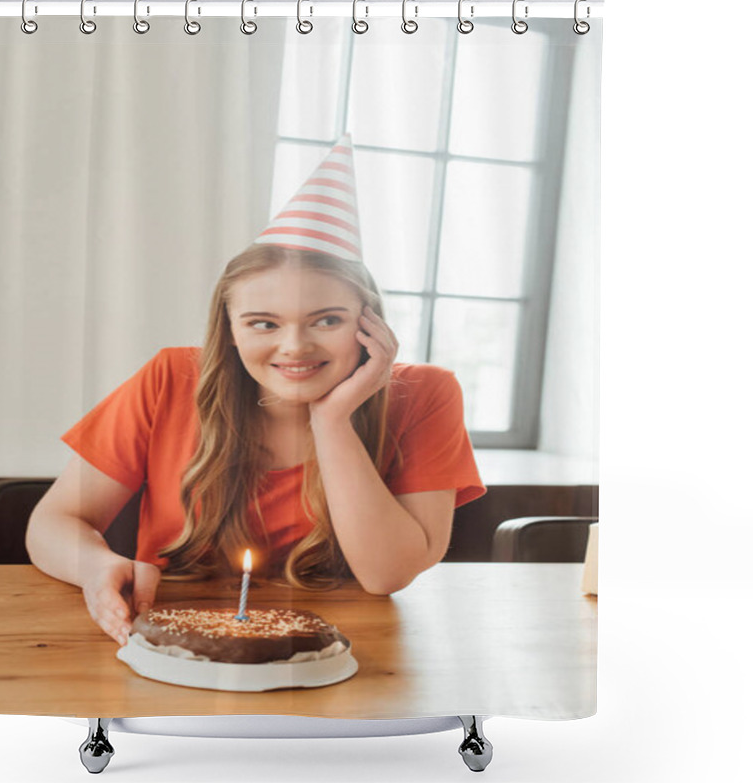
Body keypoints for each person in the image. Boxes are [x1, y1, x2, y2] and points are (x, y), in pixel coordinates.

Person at [25, 136, 486, 646]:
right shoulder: (170, 379)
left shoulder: (425, 394)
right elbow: (56, 520)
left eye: (327, 319)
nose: (294, 347)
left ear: (370, 322)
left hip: (351, 652)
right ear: (230, 329)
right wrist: (95, 566)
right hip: (174, 646)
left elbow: (386, 575)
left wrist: (331, 420)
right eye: (264, 323)